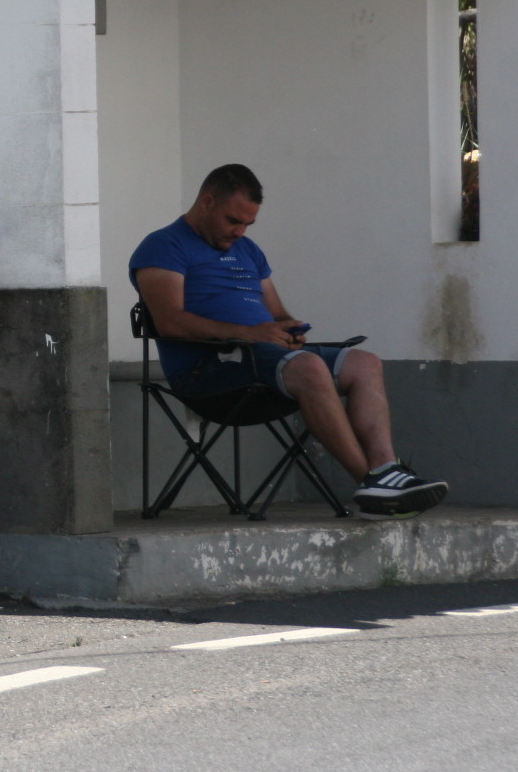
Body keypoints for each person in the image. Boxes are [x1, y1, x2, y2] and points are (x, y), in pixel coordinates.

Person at [129, 164, 448, 519]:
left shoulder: (248, 250)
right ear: (207, 202)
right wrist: (251, 334)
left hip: (267, 361)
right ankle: (372, 485)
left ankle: (387, 470)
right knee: (309, 367)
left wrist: (289, 329)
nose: (240, 231)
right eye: (233, 220)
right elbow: (170, 322)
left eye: (248, 224)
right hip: (208, 372)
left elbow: (277, 313)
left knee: (364, 363)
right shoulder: (163, 246)